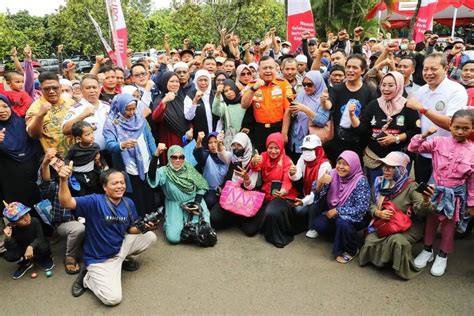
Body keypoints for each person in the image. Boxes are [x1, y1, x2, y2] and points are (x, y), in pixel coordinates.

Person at [58, 167, 157, 305]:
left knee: (150, 237)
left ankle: (124, 261)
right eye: (115, 183)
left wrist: (144, 228)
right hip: (99, 259)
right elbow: (66, 202)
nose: (120, 186)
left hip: (119, 249)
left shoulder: (128, 203)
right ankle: (88, 279)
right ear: (105, 187)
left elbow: (130, 229)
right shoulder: (94, 201)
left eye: (122, 182)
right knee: (113, 299)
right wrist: (63, 180)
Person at [408, 109, 474, 277]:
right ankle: (427, 249)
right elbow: (413, 147)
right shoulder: (438, 141)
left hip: (456, 195)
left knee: (448, 226)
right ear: (450, 126)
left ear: (472, 128)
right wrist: (424, 135)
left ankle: (443, 254)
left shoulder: (473, 151)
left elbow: (472, 181)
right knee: (430, 221)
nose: (460, 131)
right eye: (457, 127)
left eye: (465, 128)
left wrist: (471, 204)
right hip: (435, 190)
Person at [359, 152, 435, 280]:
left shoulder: (411, 186)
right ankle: (384, 261)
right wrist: (378, 213)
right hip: (384, 222)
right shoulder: (379, 182)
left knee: (397, 241)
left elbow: (421, 210)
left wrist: (426, 201)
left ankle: (398, 267)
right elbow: (370, 203)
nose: (386, 170)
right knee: (370, 239)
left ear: (400, 169)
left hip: (406, 225)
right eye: (384, 166)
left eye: (391, 167)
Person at [406, 53, 468, 183]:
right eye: (425, 69)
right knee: (422, 194)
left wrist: (422, 109)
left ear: (445, 69)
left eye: (433, 69)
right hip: (423, 153)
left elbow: (452, 124)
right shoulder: (421, 91)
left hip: (447, 156)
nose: (428, 73)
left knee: (442, 196)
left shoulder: (456, 90)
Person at [352, 72, 420, 186]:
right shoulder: (373, 105)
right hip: (375, 158)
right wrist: (352, 116)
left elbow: (415, 131)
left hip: (398, 158)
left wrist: (396, 138)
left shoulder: (407, 106)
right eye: (383, 85)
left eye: (390, 85)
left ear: (398, 86)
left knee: (397, 193)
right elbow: (362, 128)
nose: (386, 89)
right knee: (375, 191)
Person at [304, 150, 370, 263]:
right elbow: (317, 194)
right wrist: (320, 182)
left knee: (342, 222)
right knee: (318, 224)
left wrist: (338, 210)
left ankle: (352, 249)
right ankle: (342, 235)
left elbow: (361, 208)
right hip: (334, 214)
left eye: (345, 164)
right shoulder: (333, 173)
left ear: (353, 165)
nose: (340, 167)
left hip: (356, 217)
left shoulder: (360, 181)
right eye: (339, 163)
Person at [103, 93, 157, 217]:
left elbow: (149, 138)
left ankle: (152, 216)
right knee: (135, 194)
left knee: (148, 191)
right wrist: (122, 145)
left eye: (134, 108)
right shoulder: (112, 123)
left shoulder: (139, 118)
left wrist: (155, 157)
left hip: (145, 161)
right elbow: (110, 145)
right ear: (120, 107)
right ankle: (140, 219)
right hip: (129, 166)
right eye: (128, 109)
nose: (132, 112)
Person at [148, 145, 212, 244]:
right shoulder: (164, 171)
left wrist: (196, 204)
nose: (178, 160)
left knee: (201, 231)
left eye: (181, 157)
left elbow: (202, 186)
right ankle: (170, 223)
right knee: (174, 238)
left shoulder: (189, 168)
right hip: (175, 205)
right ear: (169, 158)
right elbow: (152, 176)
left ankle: (185, 224)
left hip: (193, 203)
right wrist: (156, 155)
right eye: (174, 157)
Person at [250, 133, 303, 248]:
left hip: (282, 196)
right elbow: (256, 168)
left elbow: (288, 180)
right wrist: (253, 162)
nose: (273, 151)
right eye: (270, 147)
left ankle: (276, 237)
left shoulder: (286, 160)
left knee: (271, 212)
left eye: (276, 148)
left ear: (281, 147)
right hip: (266, 195)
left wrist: (283, 190)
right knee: (251, 228)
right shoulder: (263, 156)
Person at [38, 148, 85, 275]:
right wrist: (46, 163)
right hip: (64, 223)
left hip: (84, 217)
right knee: (78, 229)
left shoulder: (76, 176)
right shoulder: (53, 186)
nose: (58, 164)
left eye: (58, 161)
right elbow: (45, 180)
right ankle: (70, 256)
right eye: (53, 164)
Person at [324, 55, 377, 163]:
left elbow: (370, 119)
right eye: (348, 67)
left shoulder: (369, 92)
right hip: (338, 144)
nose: (350, 70)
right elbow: (329, 105)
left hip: (360, 145)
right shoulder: (336, 89)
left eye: (354, 67)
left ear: (362, 71)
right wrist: (324, 101)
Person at [210, 132, 262, 235]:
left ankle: (237, 217)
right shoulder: (232, 157)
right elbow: (222, 154)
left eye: (240, 145)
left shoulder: (253, 162)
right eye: (234, 145)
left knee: (250, 231)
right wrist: (219, 143)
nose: (236, 148)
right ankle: (234, 217)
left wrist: (246, 178)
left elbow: (251, 186)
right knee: (214, 220)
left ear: (246, 146)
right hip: (230, 197)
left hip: (245, 199)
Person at [241, 56, 294, 152]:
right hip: (259, 130)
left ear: (276, 68)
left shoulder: (283, 84)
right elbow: (244, 105)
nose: (268, 71)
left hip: (278, 128)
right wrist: (254, 89)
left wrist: (284, 132)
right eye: (265, 68)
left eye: (271, 67)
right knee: (261, 160)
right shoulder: (252, 85)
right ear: (259, 70)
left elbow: (288, 110)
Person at [0, 95, 41, 208]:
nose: (1, 111)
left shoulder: (24, 124)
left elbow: (36, 146)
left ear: (10, 107)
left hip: (33, 175)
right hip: (9, 180)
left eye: (5, 106)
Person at [289, 135, 332, 237]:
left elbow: (319, 192)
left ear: (318, 149)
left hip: (320, 198)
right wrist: (292, 173)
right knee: (298, 211)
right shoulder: (302, 158)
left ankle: (313, 226)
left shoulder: (325, 165)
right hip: (306, 194)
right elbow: (297, 176)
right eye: (304, 149)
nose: (306, 152)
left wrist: (304, 201)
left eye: (310, 149)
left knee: (312, 206)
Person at [26, 72, 76, 158]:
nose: (51, 91)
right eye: (47, 89)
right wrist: (40, 116)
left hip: (76, 155)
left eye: (55, 88)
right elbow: (33, 135)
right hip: (53, 161)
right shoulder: (35, 108)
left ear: (60, 87)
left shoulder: (71, 103)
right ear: (41, 89)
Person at [2, 202, 54, 279]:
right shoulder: (11, 229)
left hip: (36, 245)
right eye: (20, 218)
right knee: (9, 255)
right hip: (22, 247)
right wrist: (8, 238)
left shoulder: (34, 221)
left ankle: (44, 258)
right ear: (13, 223)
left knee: (44, 246)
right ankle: (26, 263)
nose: (26, 219)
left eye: (26, 214)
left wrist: (31, 246)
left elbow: (40, 237)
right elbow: (11, 247)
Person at [288, 70, 330, 161]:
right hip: (296, 140)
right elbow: (293, 112)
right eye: (304, 84)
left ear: (318, 83)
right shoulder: (302, 94)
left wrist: (305, 109)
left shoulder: (324, 99)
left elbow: (322, 121)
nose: (306, 87)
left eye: (310, 84)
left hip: (312, 142)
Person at [62, 74, 111, 151]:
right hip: (88, 154)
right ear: (81, 90)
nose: (92, 90)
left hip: (110, 152)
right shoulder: (76, 108)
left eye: (94, 87)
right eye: (88, 88)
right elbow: (65, 130)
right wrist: (83, 115)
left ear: (99, 88)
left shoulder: (107, 106)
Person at [151, 71, 189, 164]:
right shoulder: (159, 99)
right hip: (169, 139)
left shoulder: (182, 98)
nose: (175, 84)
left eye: (177, 81)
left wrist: (190, 128)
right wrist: (165, 102)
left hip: (184, 139)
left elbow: (189, 116)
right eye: (171, 81)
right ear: (165, 83)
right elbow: (155, 117)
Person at [65, 121, 105, 195]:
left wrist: (103, 165)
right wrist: (68, 167)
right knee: (82, 194)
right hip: (78, 175)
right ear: (79, 138)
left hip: (92, 174)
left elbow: (100, 158)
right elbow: (67, 158)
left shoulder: (96, 146)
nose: (92, 136)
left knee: (95, 192)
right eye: (87, 134)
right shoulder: (74, 149)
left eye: (92, 133)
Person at [193, 132, 228, 210]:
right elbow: (198, 155)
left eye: (215, 141)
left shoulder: (227, 156)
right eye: (210, 142)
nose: (213, 145)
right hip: (210, 191)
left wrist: (222, 187)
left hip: (225, 190)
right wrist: (198, 141)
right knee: (210, 201)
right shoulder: (206, 156)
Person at [184, 69, 220, 138]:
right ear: (196, 81)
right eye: (200, 80)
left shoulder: (215, 94)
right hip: (199, 137)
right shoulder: (190, 95)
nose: (203, 83)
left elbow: (221, 116)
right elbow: (188, 117)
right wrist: (195, 101)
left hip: (216, 136)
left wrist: (217, 133)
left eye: (205, 80)